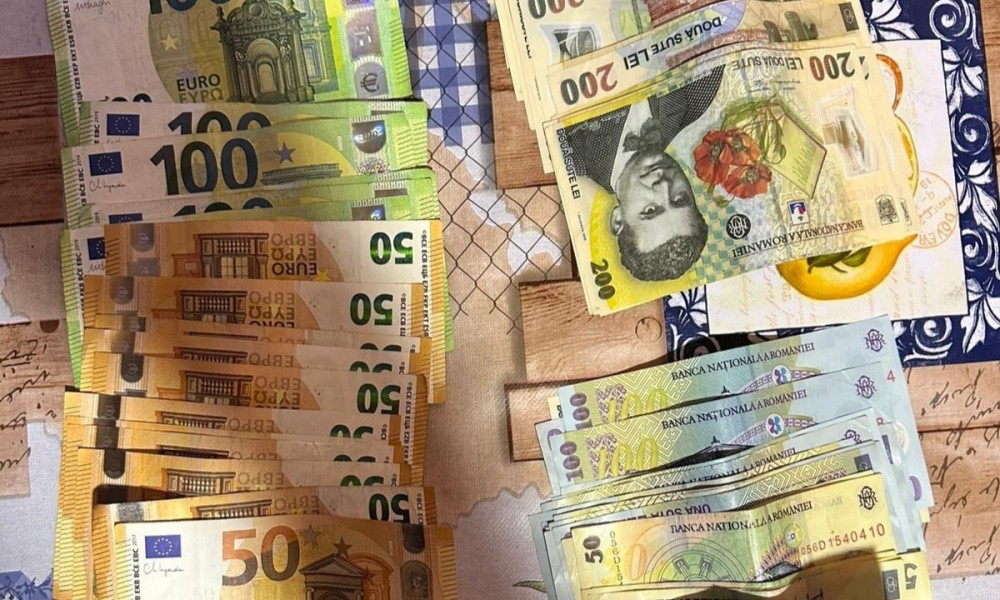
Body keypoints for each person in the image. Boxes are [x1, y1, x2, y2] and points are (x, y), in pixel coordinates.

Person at [564, 66, 724, 281]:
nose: (664, 186)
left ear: (618, 220)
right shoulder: (697, 93)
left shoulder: (571, 152)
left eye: (650, 210)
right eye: (680, 199)